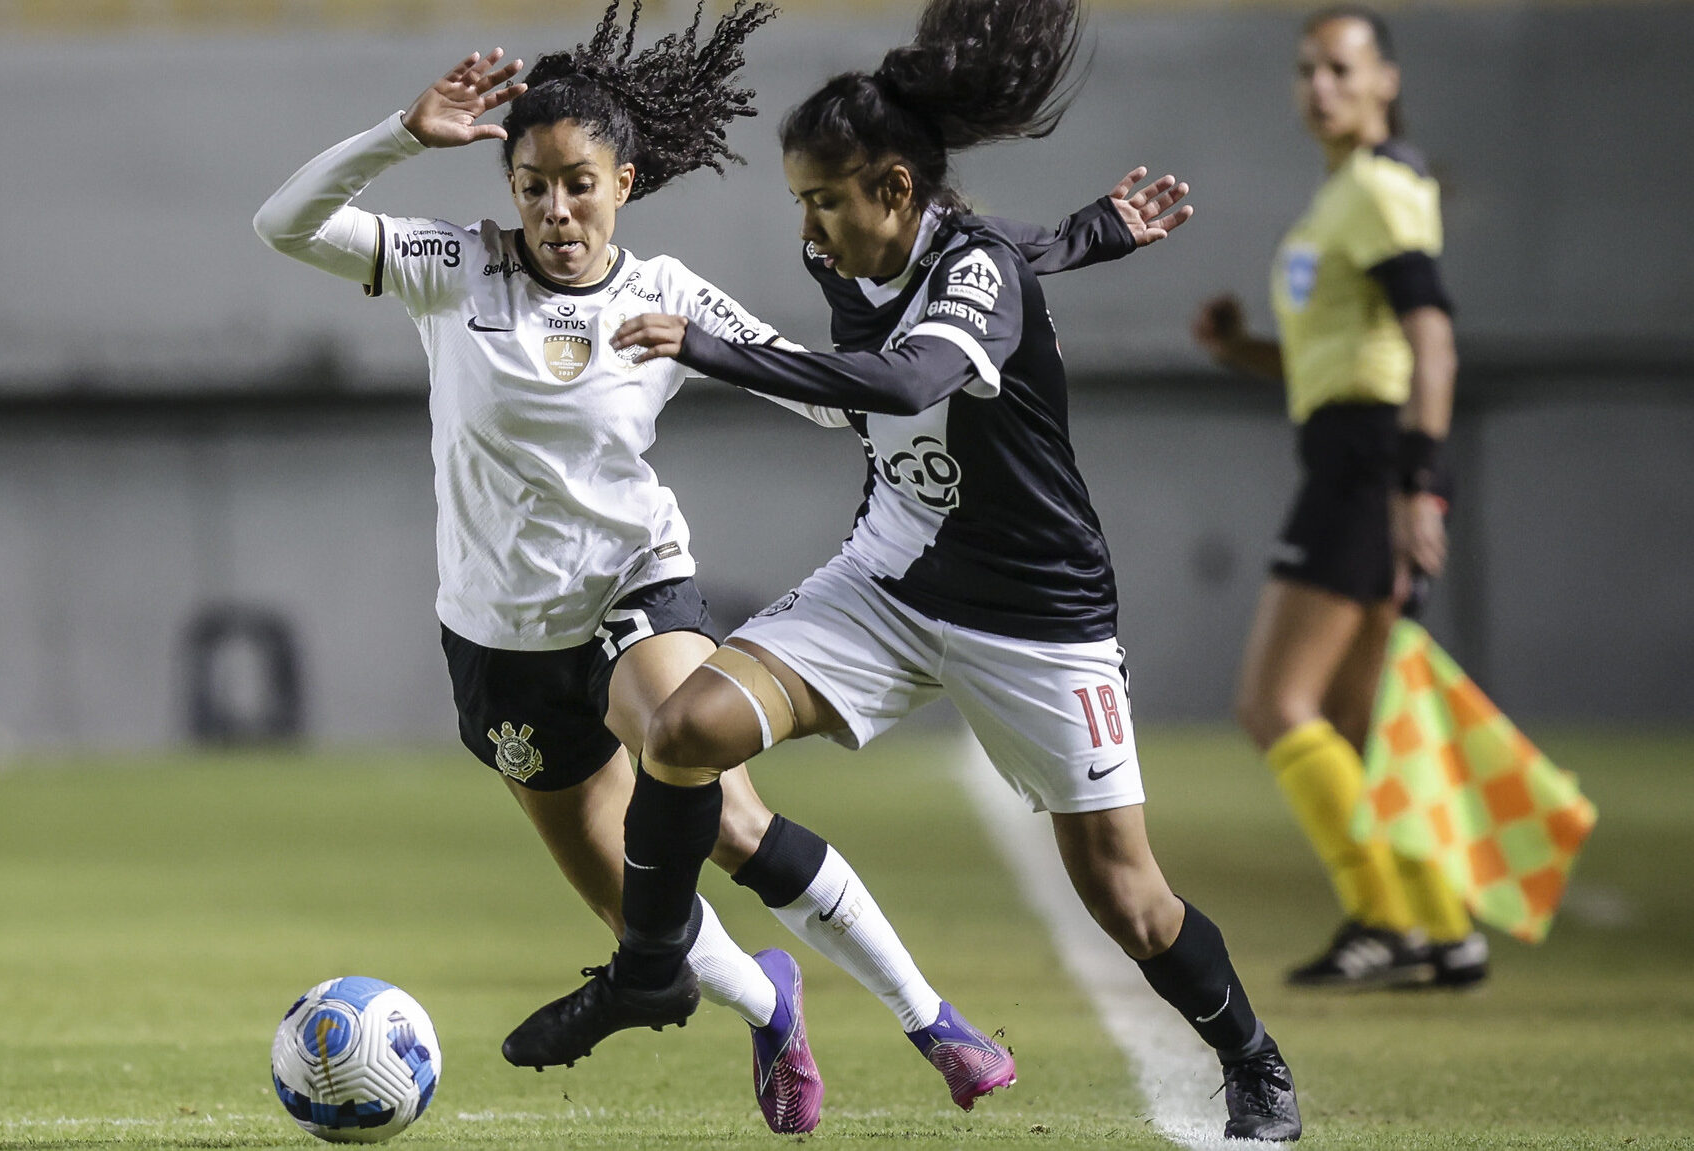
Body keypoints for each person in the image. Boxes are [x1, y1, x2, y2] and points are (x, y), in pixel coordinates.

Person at [251, 0, 1160, 1131]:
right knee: (642, 916)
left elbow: (819, 391)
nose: (553, 208)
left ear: (622, 184)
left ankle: (934, 1019)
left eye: (577, 182)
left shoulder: (665, 292)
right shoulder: (455, 268)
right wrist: (400, 131)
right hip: (496, 636)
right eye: (531, 184)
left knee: (715, 801)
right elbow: (285, 224)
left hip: (634, 589)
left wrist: (933, 342)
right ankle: (769, 1003)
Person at [503, 0, 1303, 1141]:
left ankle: (1253, 1060)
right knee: (682, 734)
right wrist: (1093, 231)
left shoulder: (969, 271)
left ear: (893, 188)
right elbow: (1019, 249)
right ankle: (649, 964)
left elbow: (907, 379)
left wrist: (718, 349)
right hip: (890, 577)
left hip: (1037, 615)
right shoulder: (888, 244)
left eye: (827, 200)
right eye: (800, 204)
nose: (812, 231)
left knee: (1126, 892)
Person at [1192, 5, 1484, 991]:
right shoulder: (1339, 199)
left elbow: (1430, 340)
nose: (1321, 86)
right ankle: (1445, 927)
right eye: (1308, 69)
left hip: (1368, 465)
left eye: (1342, 68)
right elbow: (1338, 355)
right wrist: (1243, 351)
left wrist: (1414, 486)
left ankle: (1382, 918)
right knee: (1359, 716)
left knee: (1274, 701)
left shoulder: (1378, 189)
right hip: (1356, 453)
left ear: (1384, 81)